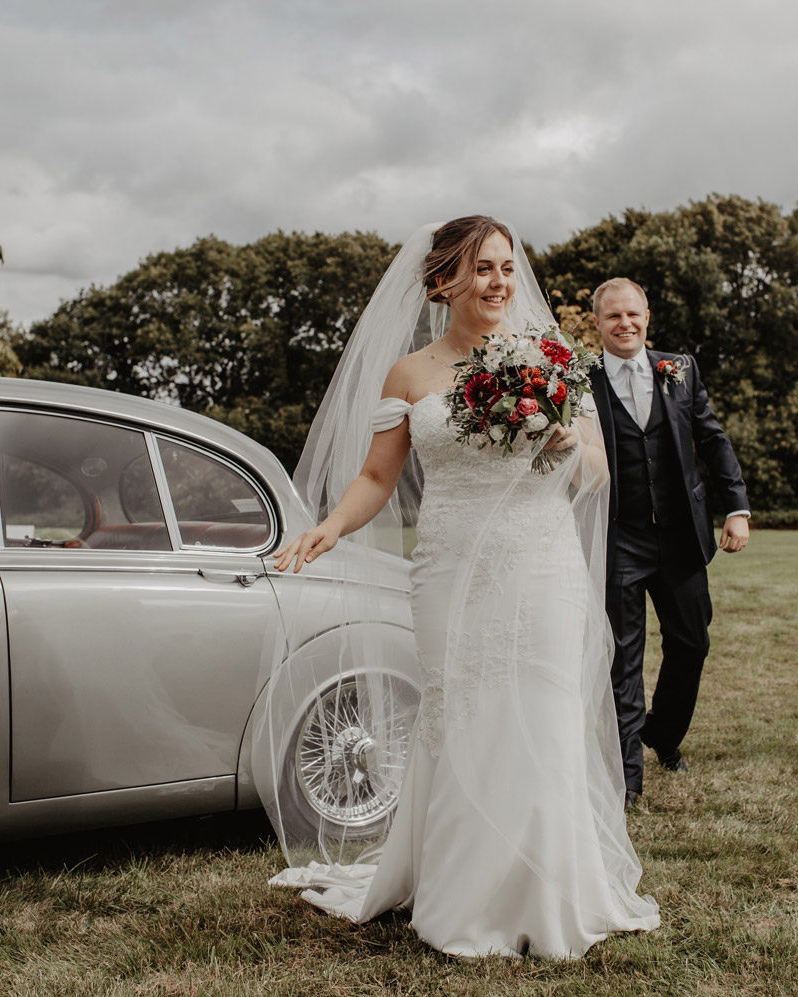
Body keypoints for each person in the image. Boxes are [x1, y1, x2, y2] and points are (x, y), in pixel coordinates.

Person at [267, 217, 659, 958]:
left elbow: (599, 475)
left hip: (539, 559)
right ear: (444, 279)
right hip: (451, 567)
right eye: (483, 269)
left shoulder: (549, 358)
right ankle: (460, 890)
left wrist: (570, 439)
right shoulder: (410, 375)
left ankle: (547, 888)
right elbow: (378, 477)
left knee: (540, 710)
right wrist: (331, 527)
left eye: (508, 269)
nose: (501, 283)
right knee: (466, 710)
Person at [588, 278, 749, 809]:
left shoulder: (679, 368)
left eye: (633, 314)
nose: (625, 324)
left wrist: (737, 508)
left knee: (692, 642)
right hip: (619, 538)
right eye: (613, 317)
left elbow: (712, 438)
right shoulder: (578, 382)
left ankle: (664, 734)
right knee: (623, 660)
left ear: (648, 314)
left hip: (681, 536)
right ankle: (627, 778)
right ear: (598, 323)